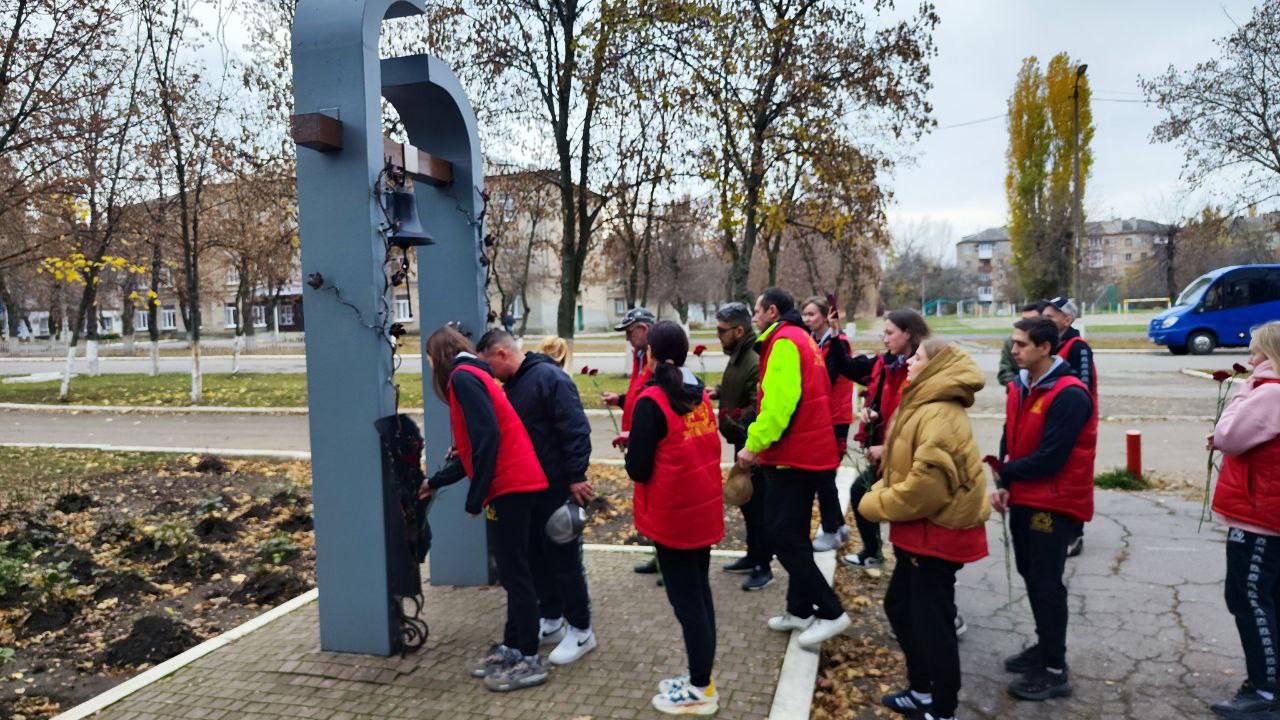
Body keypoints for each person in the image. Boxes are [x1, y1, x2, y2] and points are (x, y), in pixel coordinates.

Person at [859, 337, 989, 720]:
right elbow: (905, 468)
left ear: (936, 366)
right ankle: (921, 690)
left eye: (917, 357)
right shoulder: (924, 403)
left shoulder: (940, 414)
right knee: (901, 607)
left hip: (937, 535)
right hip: (920, 534)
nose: (910, 362)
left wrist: (873, 504)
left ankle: (942, 707)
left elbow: (925, 489)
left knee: (934, 624)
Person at [419, 326, 551, 692]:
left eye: (431, 362)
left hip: (511, 485)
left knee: (516, 573)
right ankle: (514, 645)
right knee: (513, 571)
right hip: (513, 484)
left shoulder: (462, 377)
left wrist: (475, 497)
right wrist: (435, 482)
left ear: (440, 358)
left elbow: (487, 437)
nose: (432, 369)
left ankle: (528, 656)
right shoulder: (477, 373)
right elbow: (473, 445)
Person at [476, 329, 597, 666]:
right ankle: (553, 618)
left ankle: (582, 630)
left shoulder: (548, 379)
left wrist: (576, 477)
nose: (490, 375)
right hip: (531, 488)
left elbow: (575, 428)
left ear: (501, 353)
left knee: (564, 560)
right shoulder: (517, 383)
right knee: (537, 558)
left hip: (557, 486)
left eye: (489, 366)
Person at [739, 287, 851, 650]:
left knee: (780, 537)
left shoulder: (784, 342)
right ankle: (799, 609)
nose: (754, 317)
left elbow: (778, 405)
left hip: (792, 456)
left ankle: (831, 611)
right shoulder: (801, 338)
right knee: (796, 536)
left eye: (756, 311)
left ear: (772, 311)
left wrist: (753, 444)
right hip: (805, 453)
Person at [991, 316, 1095, 702]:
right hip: (1025, 495)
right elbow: (1010, 435)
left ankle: (1055, 668)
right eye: (1014, 343)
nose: (1013, 350)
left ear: (1045, 348)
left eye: (1021, 344)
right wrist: (1004, 482)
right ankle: (1045, 645)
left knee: (1046, 582)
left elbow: (1052, 457)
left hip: (1054, 500)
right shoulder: (1022, 385)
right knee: (1031, 574)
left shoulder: (1069, 393)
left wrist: (1005, 471)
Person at [623, 320, 725, 716]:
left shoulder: (653, 400)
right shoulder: (697, 393)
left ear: (649, 355)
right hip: (700, 509)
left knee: (689, 606)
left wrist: (633, 448)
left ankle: (701, 689)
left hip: (673, 516)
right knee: (700, 596)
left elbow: (639, 468)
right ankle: (703, 678)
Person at [1208, 321, 1280, 718]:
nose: (1249, 361)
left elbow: (1228, 437)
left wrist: (1243, 390)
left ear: (1269, 356)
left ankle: (1265, 692)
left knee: (1248, 598)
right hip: (1269, 513)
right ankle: (1269, 681)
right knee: (1268, 599)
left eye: (1255, 353)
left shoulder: (1268, 394)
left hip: (1259, 518)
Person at [841, 309, 931, 571]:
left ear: (909, 334)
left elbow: (916, 420)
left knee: (867, 493)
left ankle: (902, 558)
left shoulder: (919, 367)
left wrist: (888, 448)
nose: (884, 338)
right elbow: (890, 402)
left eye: (890, 332)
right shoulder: (891, 362)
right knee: (864, 492)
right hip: (888, 451)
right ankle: (879, 553)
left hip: (905, 456)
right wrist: (874, 413)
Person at [801, 296, 876, 553]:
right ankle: (839, 527)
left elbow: (829, 375)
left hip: (836, 417)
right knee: (822, 475)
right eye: (805, 315)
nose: (807, 319)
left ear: (825, 316)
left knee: (824, 475)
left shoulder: (838, 342)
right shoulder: (813, 341)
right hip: (822, 416)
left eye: (812, 314)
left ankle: (831, 530)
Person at [712, 302, 773, 592]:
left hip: (753, 445)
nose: (718, 336)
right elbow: (741, 389)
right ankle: (753, 556)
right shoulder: (738, 354)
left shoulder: (753, 356)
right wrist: (721, 394)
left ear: (739, 330)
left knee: (758, 505)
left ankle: (764, 566)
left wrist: (735, 418)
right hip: (741, 441)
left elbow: (757, 401)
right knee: (748, 505)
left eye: (722, 331)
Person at [600, 307, 660, 575]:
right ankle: (660, 556)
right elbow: (641, 396)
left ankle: (668, 563)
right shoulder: (641, 357)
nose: (626, 338)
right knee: (649, 500)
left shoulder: (658, 359)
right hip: (637, 437)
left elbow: (658, 403)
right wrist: (622, 400)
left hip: (651, 441)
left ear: (644, 329)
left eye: (629, 331)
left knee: (659, 501)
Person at [1042, 296, 1095, 559]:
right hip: (1053, 422)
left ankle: (1075, 534)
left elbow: (1083, 387)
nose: (1046, 320)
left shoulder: (1078, 347)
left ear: (1067, 319)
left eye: (1051, 316)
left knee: (1074, 479)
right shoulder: (1051, 344)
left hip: (1075, 426)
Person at [999, 302, 1048, 389]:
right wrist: (1020, 386)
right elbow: (1004, 371)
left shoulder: (1049, 340)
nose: (1015, 351)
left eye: (1032, 320)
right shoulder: (1011, 341)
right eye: (1024, 320)